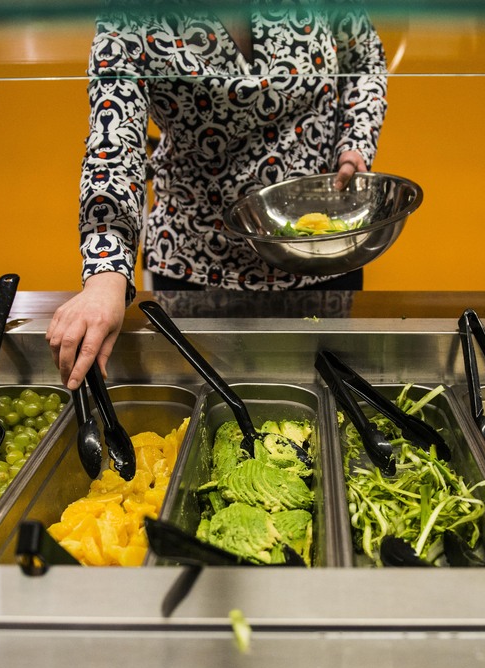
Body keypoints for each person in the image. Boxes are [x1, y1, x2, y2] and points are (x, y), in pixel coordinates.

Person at [47, 2, 389, 389]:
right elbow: (114, 142)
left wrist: (356, 142)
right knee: (208, 400)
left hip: (321, 250)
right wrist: (105, 273)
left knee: (324, 392)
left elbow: (364, 61)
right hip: (198, 257)